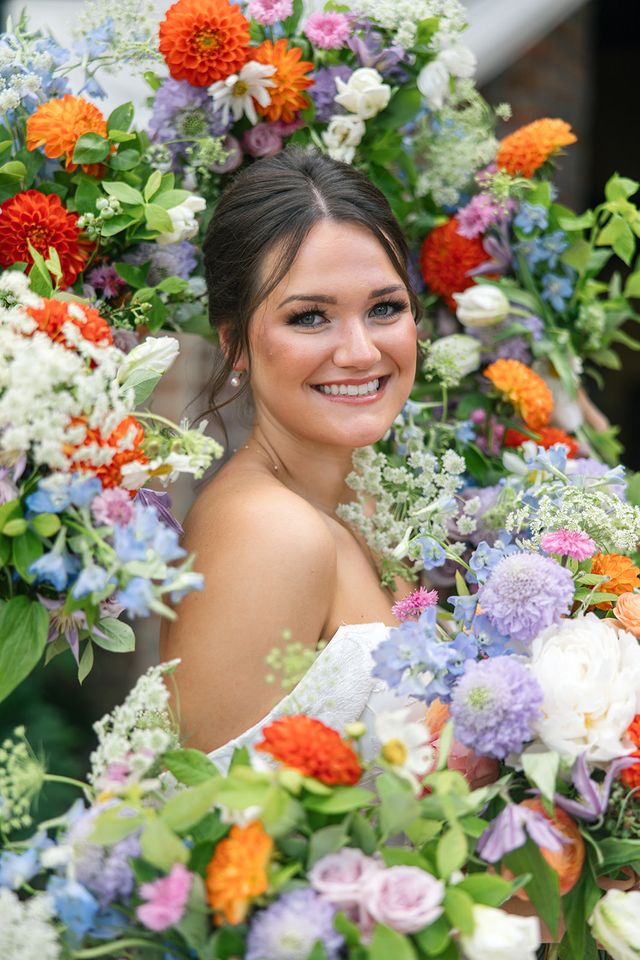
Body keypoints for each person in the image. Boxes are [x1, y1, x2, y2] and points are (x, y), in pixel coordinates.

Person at [160, 148, 421, 763]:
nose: (360, 351)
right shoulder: (270, 532)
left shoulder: (365, 497)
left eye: (385, 308)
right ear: (237, 344)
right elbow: (208, 827)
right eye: (310, 317)